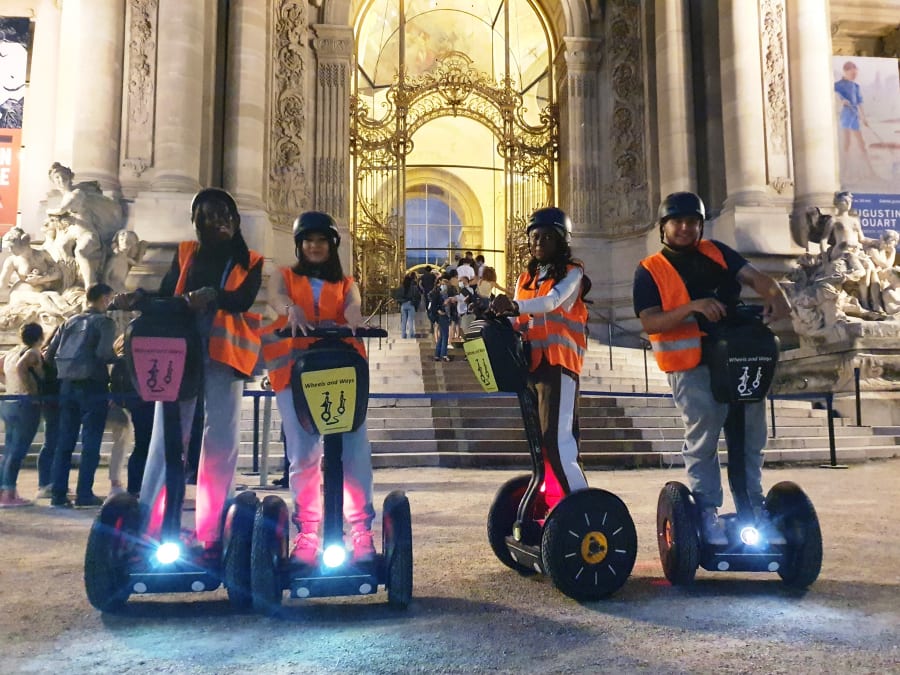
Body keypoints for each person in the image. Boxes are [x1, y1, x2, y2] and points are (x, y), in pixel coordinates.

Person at [632, 192, 792, 544]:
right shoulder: (649, 270)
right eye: (678, 221)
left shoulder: (718, 251)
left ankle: (754, 509)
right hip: (692, 365)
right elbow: (651, 321)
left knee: (751, 437)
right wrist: (694, 307)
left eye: (693, 221)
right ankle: (706, 512)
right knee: (703, 440)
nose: (686, 227)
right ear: (664, 227)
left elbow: (755, 277)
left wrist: (774, 293)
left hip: (737, 357)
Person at [114, 187, 263, 560]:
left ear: (236, 219)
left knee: (221, 438)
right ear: (196, 222)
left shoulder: (252, 260)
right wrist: (139, 299)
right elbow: (168, 295)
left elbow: (243, 300)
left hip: (223, 354)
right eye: (208, 216)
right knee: (168, 435)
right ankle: (152, 522)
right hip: (178, 347)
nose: (217, 221)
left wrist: (212, 295)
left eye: (224, 214)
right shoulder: (185, 254)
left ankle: (212, 529)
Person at [261, 211, 375, 566]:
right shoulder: (284, 277)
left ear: (332, 246)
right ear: (299, 245)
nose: (314, 246)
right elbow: (274, 297)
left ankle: (360, 530)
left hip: (340, 372)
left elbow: (354, 304)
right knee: (303, 455)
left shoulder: (346, 282)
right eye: (308, 241)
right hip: (293, 376)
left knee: (355, 452)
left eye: (321, 241)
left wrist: (354, 317)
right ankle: (308, 532)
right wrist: (291, 309)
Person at [491, 207, 591, 508]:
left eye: (547, 237)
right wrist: (495, 312)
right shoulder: (526, 277)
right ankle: (553, 499)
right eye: (534, 237)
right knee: (539, 442)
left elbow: (551, 302)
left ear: (561, 240)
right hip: (531, 366)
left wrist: (514, 307)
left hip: (559, 363)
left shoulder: (573, 272)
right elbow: (518, 318)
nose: (539, 242)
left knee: (557, 439)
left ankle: (580, 505)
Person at [45, 283, 117, 508]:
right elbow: (103, 353)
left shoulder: (69, 321)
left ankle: (58, 494)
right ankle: (84, 492)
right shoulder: (104, 322)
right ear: (104, 298)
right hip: (93, 385)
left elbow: (49, 355)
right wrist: (120, 358)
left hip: (67, 385)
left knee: (64, 441)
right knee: (91, 441)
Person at [0, 323, 45, 507]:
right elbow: (21, 367)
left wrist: (9, 383)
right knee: (18, 450)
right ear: (39, 337)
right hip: (24, 403)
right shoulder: (33, 352)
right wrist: (31, 392)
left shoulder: (11, 352)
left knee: (10, 449)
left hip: (8, 401)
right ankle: (9, 493)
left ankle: (4, 489)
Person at [834, 61, 878, 181]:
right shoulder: (837, 85)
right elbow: (834, 96)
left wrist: (864, 118)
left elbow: (859, 102)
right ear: (846, 71)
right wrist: (841, 101)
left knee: (862, 144)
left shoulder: (856, 86)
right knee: (846, 144)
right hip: (845, 115)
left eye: (855, 74)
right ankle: (843, 173)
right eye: (852, 74)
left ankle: (871, 172)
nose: (854, 76)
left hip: (855, 116)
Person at [427, 273, 455, 361]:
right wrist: (441, 308)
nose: (444, 286)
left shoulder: (446, 294)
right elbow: (434, 305)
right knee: (445, 335)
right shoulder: (438, 294)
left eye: (445, 285)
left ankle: (437, 354)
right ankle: (444, 355)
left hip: (445, 315)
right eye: (443, 285)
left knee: (442, 336)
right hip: (442, 316)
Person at [398, 271, 421, 339]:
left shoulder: (402, 288)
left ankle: (403, 334)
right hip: (411, 304)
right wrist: (415, 304)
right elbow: (418, 296)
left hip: (403, 304)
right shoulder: (414, 287)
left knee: (404, 321)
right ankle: (411, 334)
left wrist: (401, 303)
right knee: (411, 320)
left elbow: (398, 296)